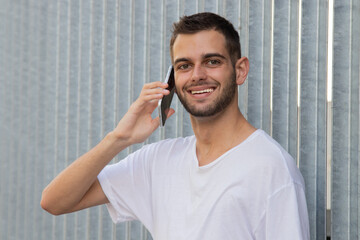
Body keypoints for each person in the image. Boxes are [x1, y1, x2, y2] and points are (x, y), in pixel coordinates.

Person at [41, 12, 310, 239]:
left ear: (240, 70)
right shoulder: (158, 161)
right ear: (172, 81)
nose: (197, 75)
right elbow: (55, 202)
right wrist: (118, 138)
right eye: (184, 66)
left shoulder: (272, 169)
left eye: (212, 61)